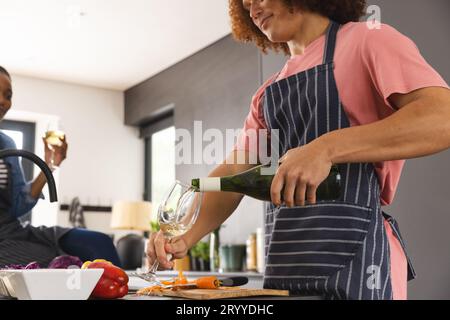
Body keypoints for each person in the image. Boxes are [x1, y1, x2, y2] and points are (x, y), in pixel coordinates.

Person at [146, 0, 450, 299]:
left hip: (360, 267)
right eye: (245, 3)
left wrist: (326, 148)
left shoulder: (369, 39)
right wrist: (184, 238)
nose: (252, 9)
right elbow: (234, 172)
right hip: (286, 273)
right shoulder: (266, 94)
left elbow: (441, 118)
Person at [0, 66, 121, 267]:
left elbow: (18, 205)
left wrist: (50, 165)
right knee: (58, 266)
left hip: (11, 231)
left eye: (8, 95)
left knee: (99, 244)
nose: (3, 101)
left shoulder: (7, 144)